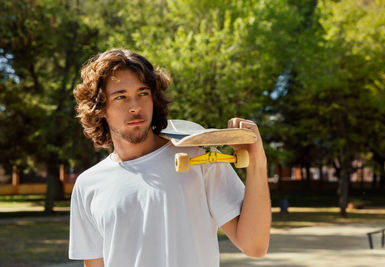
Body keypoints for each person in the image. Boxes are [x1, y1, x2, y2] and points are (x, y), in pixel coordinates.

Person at [69, 49, 271, 267]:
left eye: (143, 93)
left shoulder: (200, 157)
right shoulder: (87, 185)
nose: (135, 106)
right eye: (121, 97)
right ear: (100, 108)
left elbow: (254, 245)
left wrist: (257, 163)